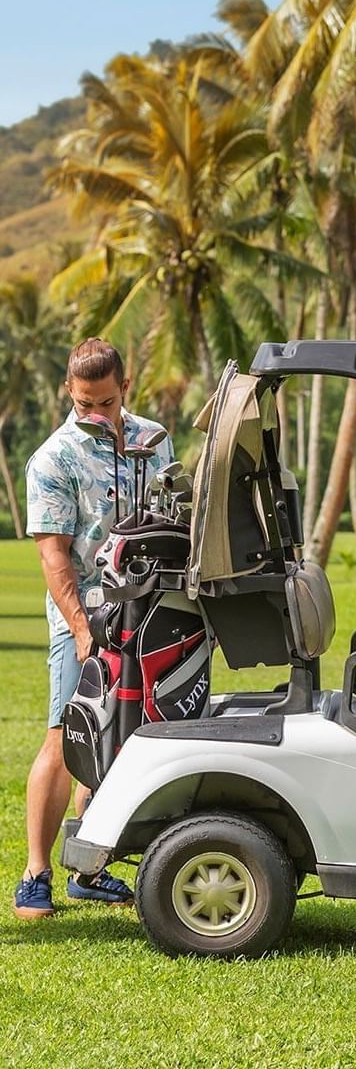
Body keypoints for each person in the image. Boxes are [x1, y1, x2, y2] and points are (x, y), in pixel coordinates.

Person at [13, 338, 174, 919]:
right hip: (83, 614)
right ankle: (35, 873)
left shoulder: (154, 440)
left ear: (124, 388)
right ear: (68, 391)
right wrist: (83, 631)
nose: (94, 414)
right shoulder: (51, 459)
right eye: (84, 403)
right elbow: (54, 556)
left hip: (151, 609)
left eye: (104, 402)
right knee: (67, 736)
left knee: (124, 737)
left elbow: (172, 515)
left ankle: (89, 866)